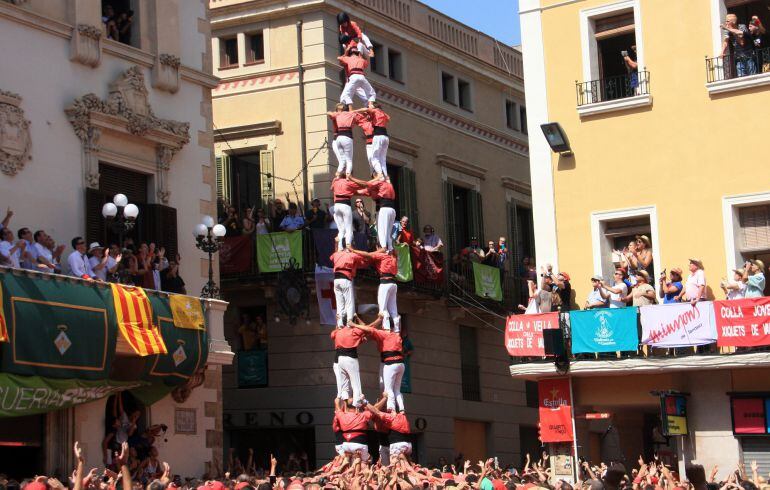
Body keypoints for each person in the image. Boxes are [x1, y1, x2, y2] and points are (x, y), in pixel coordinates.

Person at [351, 314, 406, 413]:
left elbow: (369, 329)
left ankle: (391, 409)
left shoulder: (383, 334)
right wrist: (358, 319)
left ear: (385, 326)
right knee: (396, 389)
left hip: (389, 362)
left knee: (388, 388)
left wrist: (353, 324)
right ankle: (401, 409)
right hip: (400, 363)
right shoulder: (397, 335)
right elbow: (368, 328)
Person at [350, 246, 399, 331]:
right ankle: (397, 329)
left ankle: (386, 328)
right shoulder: (393, 257)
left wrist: (353, 250)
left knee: (383, 308)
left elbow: (368, 255)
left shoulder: (382, 256)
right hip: (394, 284)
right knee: (393, 309)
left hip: (385, 283)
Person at [350, 175, 396, 251]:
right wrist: (349, 190)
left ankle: (383, 250)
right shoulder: (388, 184)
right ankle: (390, 249)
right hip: (392, 209)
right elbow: (361, 191)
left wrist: (351, 179)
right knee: (388, 232)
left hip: (384, 209)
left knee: (381, 232)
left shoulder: (380, 182)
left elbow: (365, 184)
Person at [330, 240, 368, 327]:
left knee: (340, 303)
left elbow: (332, 258)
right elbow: (364, 258)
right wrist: (354, 250)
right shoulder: (352, 254)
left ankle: (340, 324)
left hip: (336, 280)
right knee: (349, 303)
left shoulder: (337, 254)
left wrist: (336, 244)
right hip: (345, 279)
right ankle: (349, 323)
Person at [330, 326, 367, 409]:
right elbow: (366, 328)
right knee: (356, 384)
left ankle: (346, 407)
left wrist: (338, 328)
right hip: (350, 359)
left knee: (343, 387)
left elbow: (333, 335)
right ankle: (356, 407)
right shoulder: (353, 331)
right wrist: (356, 322)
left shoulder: (337, 332)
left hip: (339, 361)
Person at [356, 103, 390, 179]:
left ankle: (381, 176)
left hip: (376, 138)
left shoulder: (375, 115)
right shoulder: (364, 121)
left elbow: (387, 117)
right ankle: (379, 176)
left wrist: (372, 110)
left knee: (375, 159)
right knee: (376, 160)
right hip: (372, 142)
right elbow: (388, 118)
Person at [330, 176, 364, 250]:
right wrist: (352, 179)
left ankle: (340, 247)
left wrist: (334, 179)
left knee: (341, 229)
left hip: (336, 206)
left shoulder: (336, 182)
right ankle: (348, 247)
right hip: (345, 205)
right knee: (349, 229)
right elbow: (361, 186)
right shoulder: (348, 182)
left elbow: (331, 188)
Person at [337, 44, 375, 109]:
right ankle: (370, 105)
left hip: (353, 77)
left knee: (346, 95)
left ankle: (349, 109)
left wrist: (346, 51)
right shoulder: (362, 60)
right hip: (362, 77)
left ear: (350, 53)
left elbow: (339, 58)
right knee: (371, 92)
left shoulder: (348, 58)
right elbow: (366, 63)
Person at [327, 104, 360, 177]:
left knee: (342, 161)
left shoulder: (337, 115)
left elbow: (329, 113)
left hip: (338, 138)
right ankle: (348, 176)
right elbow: (357, 117)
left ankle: (338, 174)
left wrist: (336, 113)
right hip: (346, 136)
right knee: (348, 160)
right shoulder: (349, 114)